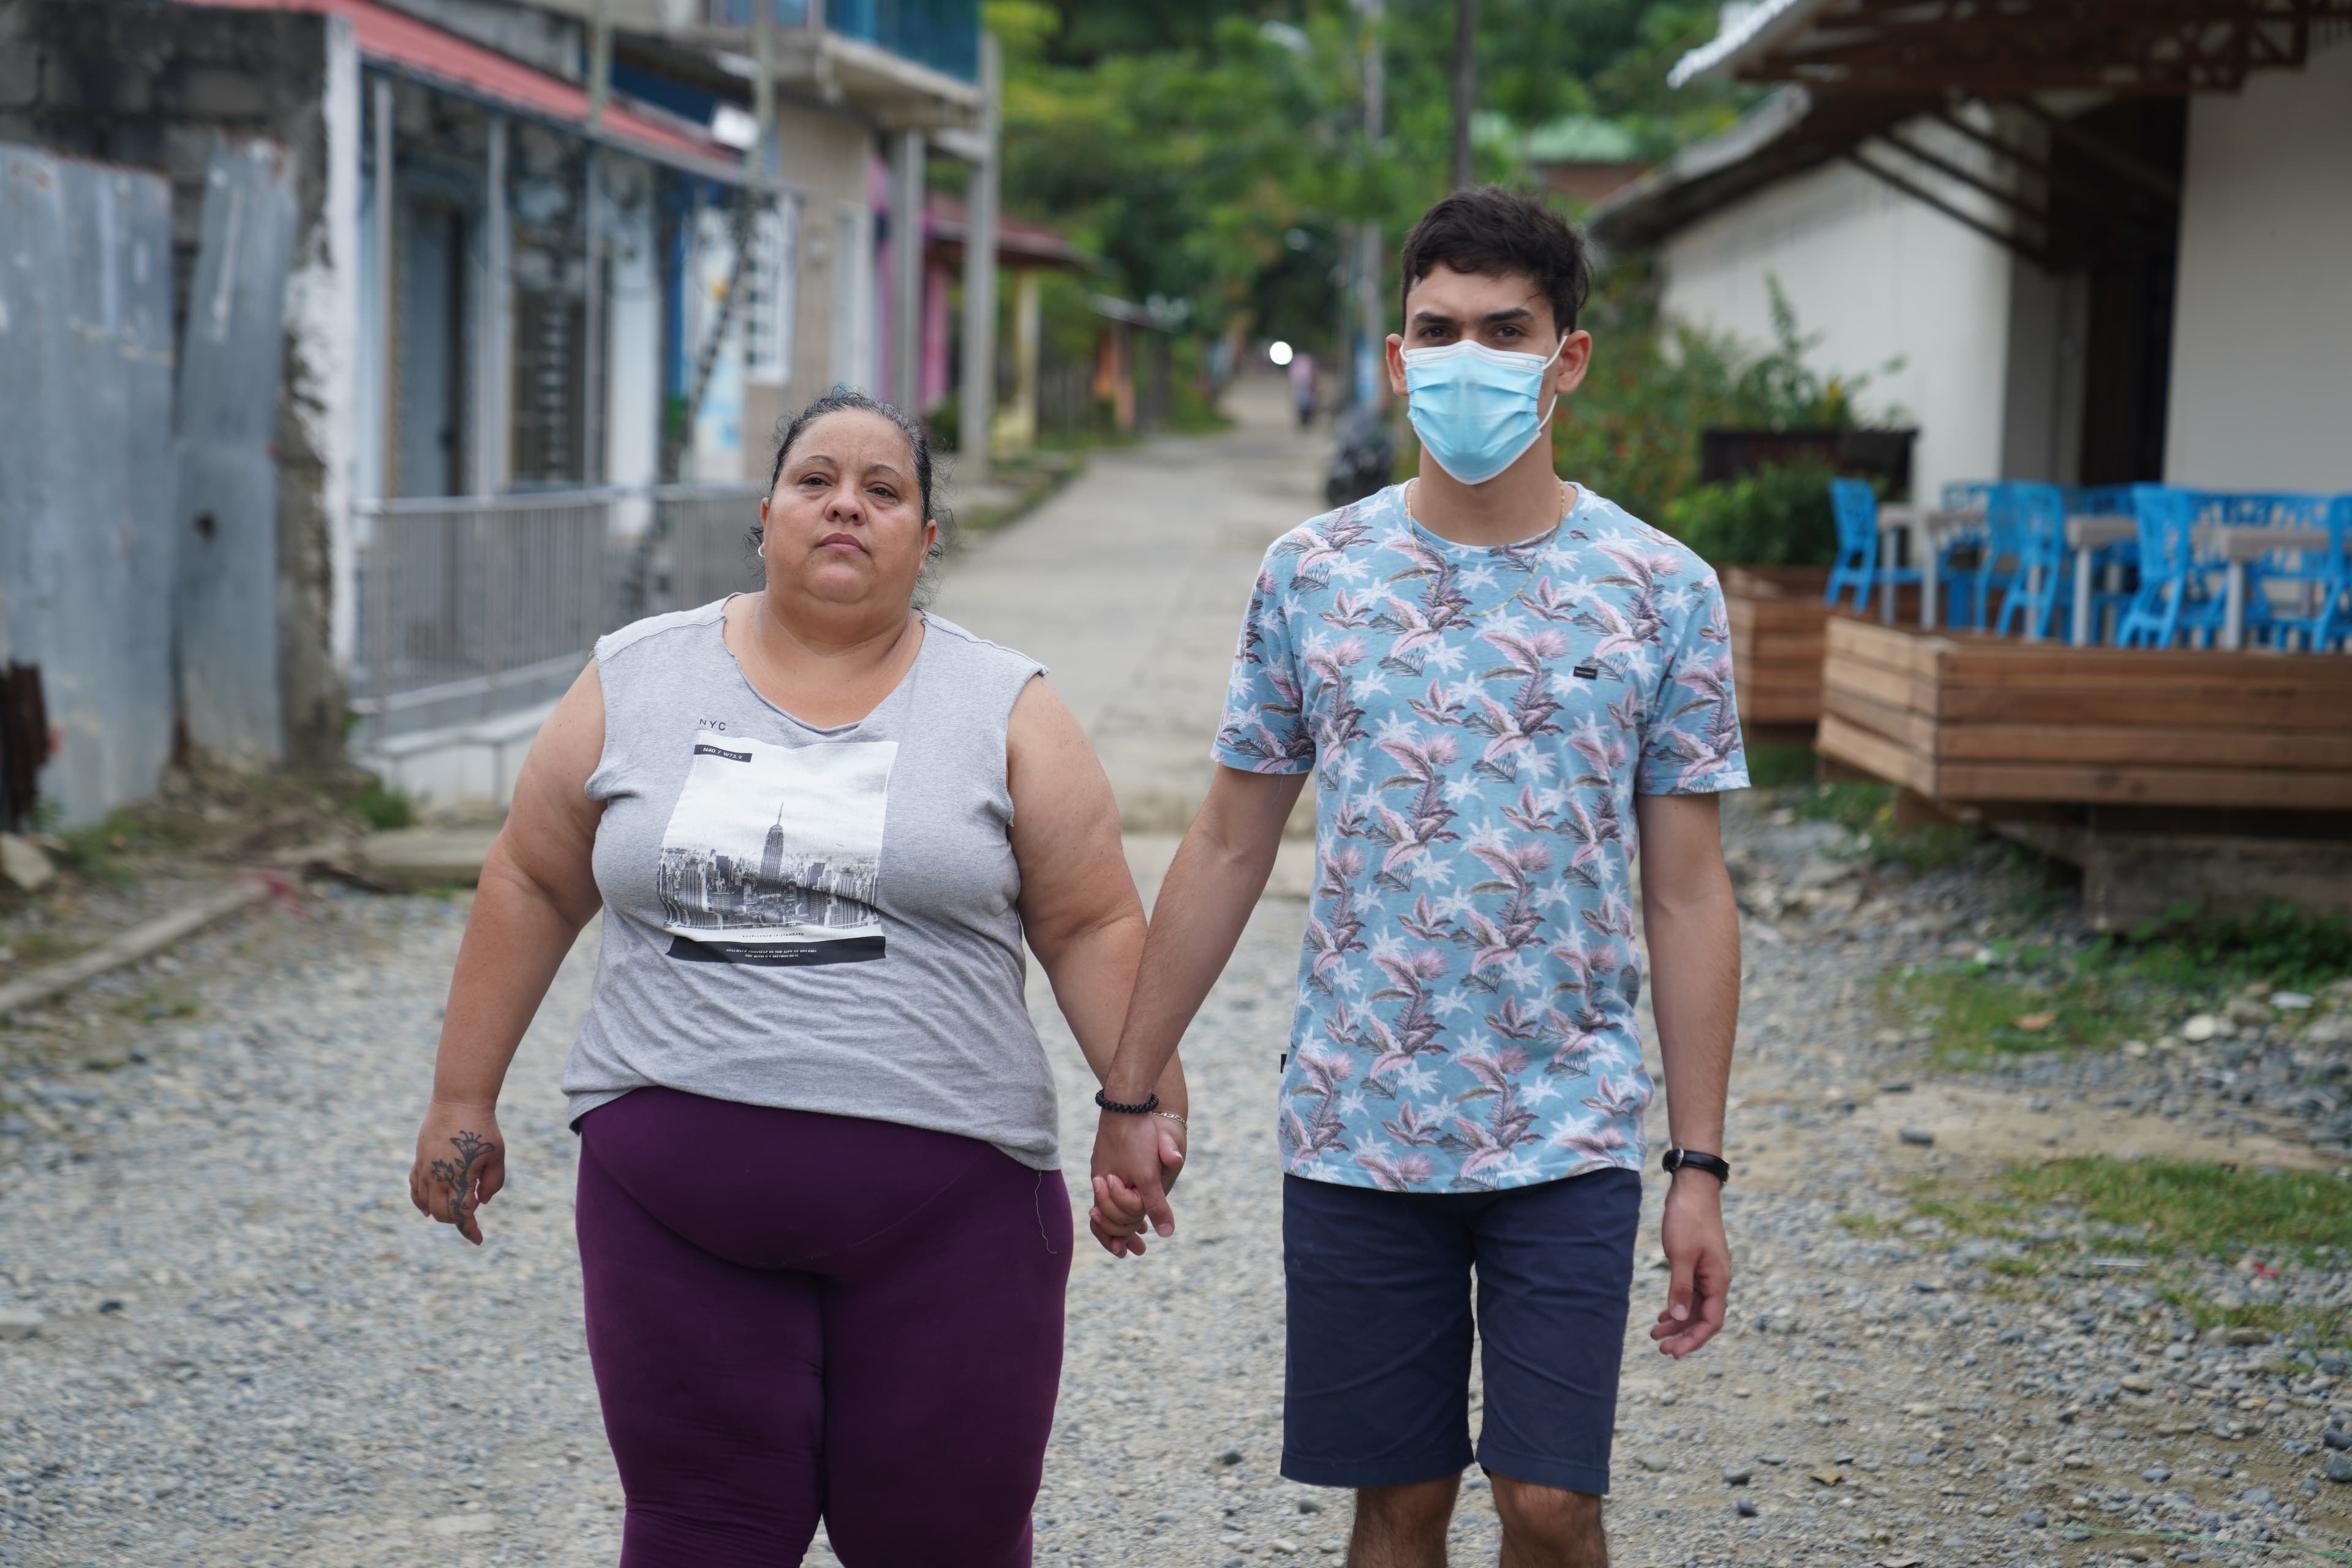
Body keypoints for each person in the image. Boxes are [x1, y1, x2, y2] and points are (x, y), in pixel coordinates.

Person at [405, 390, 1186, 1568]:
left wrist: (1147, 1108)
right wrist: (462, 1100)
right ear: (765, 516)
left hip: (953, 1219)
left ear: (927, 539)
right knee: (698, 1536)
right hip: (673, 1215)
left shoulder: (1005, 706)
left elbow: (1093, 925)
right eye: (816, 481)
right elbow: (531, 880)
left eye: (884, 490)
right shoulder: (639, 677)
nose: (846, 507)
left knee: (945, 1543)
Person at [1090, 187, 1746, 1567]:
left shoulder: (1662, 589)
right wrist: (1129, 1091)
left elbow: (1687, 891)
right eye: (1438, 331)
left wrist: (1698, 1165)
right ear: (1396, 359)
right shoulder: (1314, 575)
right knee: (1397, 1506)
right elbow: (1229, 840)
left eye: (1506, 331)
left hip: (1567, 1129)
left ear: (1568, 358)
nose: (1468, 360)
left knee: (1551, 1505)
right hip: (1359, 1122)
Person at [1291, 347, 1320, 428]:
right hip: (1305, 384)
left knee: (1304, 403)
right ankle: (1305, 421)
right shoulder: (1308, 360)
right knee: (1305, 403)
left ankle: (1304, 421)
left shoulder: (1298, 360)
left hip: (1303, 384)